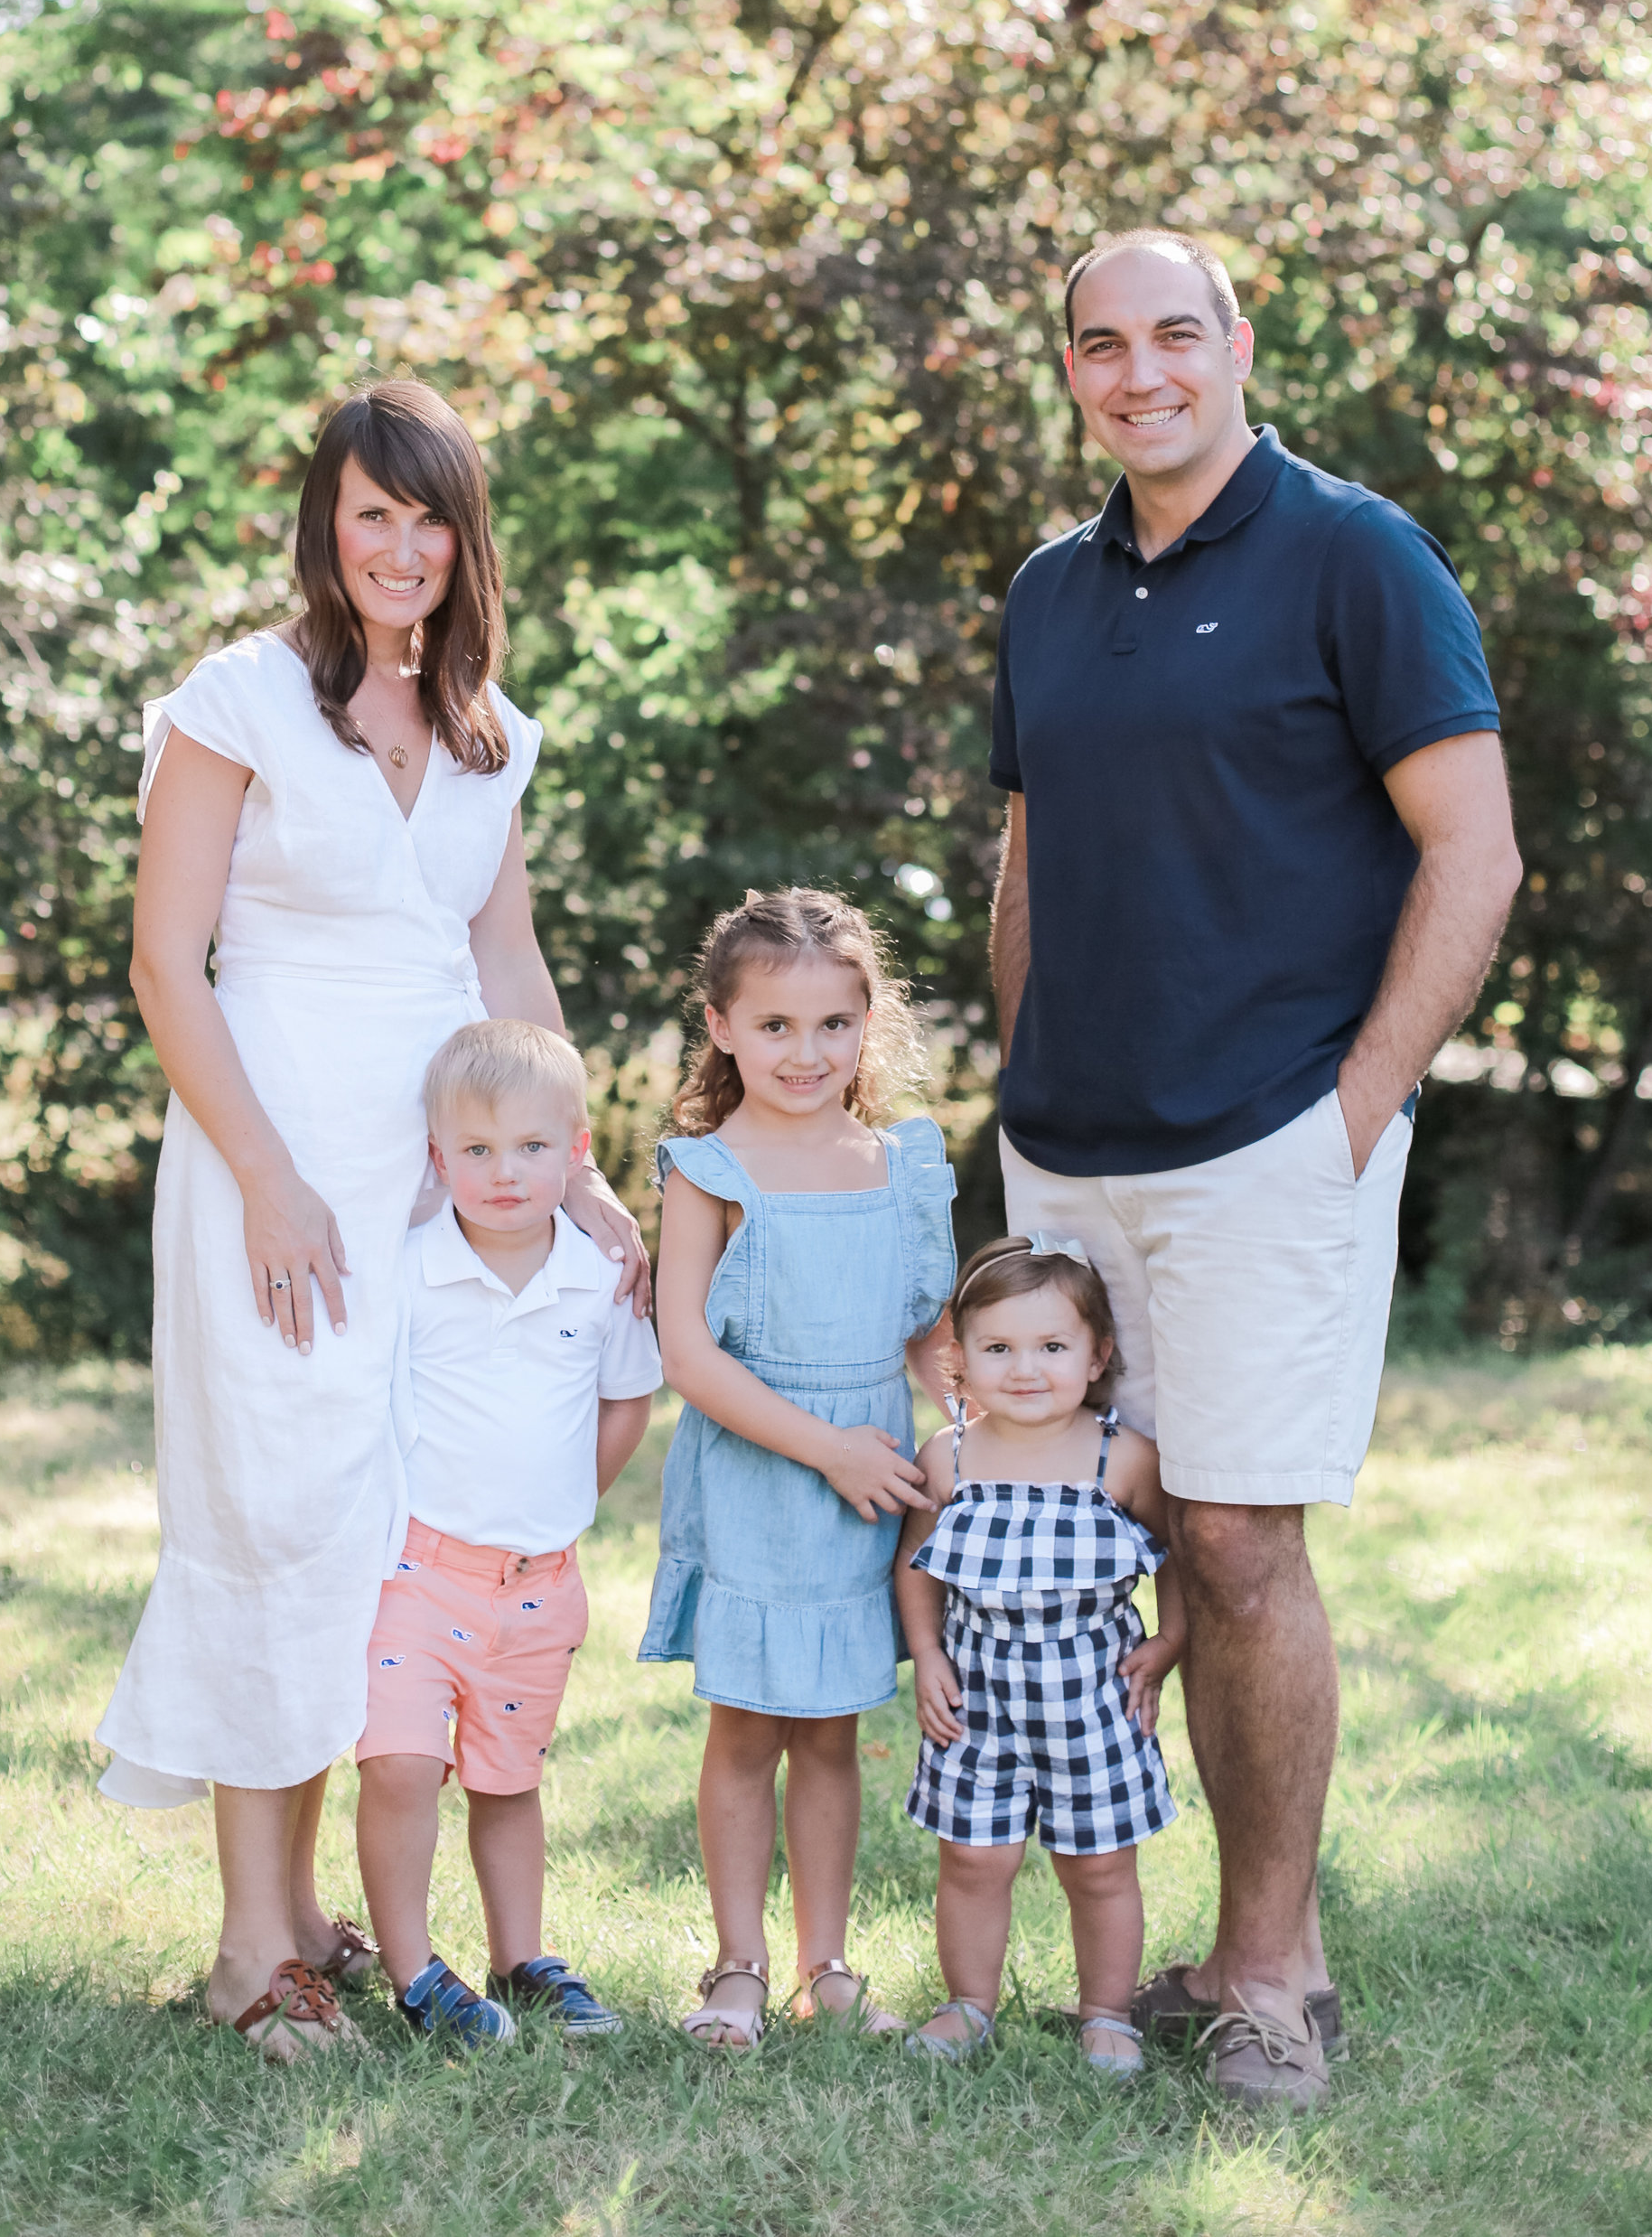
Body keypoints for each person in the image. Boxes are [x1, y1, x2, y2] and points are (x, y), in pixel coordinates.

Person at [988, 229, 1522, 2106]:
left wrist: (1355, 1109)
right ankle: (1121, 1958)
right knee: (1070, 1551)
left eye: (1168, 337)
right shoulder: (1049, 588)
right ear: (1068, 370)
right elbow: (1033, 850)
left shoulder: (1351, 555)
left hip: (1264, 1138)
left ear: (1233, 344)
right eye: (1095, 346)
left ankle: (1272, 1969)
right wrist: (1012, 1062)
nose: (1136, 373)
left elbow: (1474, 855)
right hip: (1063, 1147)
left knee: (1229, 1538)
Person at [94, 380, 648, 2064]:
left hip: (443, 1178)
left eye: (432, 519)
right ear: (327, 526)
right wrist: (268, 1172)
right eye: (372, 515)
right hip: (277, 1159)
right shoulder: (242, 700)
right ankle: (254, 1944)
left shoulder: (492, 728)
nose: (403, 548)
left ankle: (328, 1909)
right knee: (278, 1507)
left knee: (388, 1530)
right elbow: (163, 961)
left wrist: (583, 1157)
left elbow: (507, 964)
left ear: (467, 538)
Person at [639, 889, 957, 2048]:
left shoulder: (904, 1163)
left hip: (871, 1478)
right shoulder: (710, 1170)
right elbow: (685, 1351)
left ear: (866, 1022)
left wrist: (967, 1409)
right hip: (766, 1477)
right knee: (746, 1728)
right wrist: (822, 1448)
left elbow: (927, 1324)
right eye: (774, 1026)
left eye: (832, 1025)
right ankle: (736, 1964)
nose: (805, 1052)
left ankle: (826, 1965)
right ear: (721, 1026)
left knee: (829, 1732)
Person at [354, 1016, 660, 2048]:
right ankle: (414, 1973)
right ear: (438, 1159)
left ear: (575, 1154)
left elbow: (626, 1402)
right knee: (398, 1764)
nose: (502, 1172)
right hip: (417, 1570)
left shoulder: (598, 1277)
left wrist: (572, 1500)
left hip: (539, 1585)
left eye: (531, 1148)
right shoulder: (409, 1271)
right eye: (475, 1151)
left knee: (505, 1779)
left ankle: (519, 1955)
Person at [896, 1236, 1185, 2074]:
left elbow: (1181, 1561)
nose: (1025, 1370)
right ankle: (967, 2006)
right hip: (978, 1694)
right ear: (961, 1362)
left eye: (1052, 1347)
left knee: (1097, 1866)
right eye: (998, 1349)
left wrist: (1167, 1645)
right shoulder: (949, 1459)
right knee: (975, 1858)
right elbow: (914, 1566)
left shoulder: (1121, 1459)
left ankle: (1107, 2015)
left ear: (1097, 1357)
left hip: (1095, 1697)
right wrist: (928, 1654)